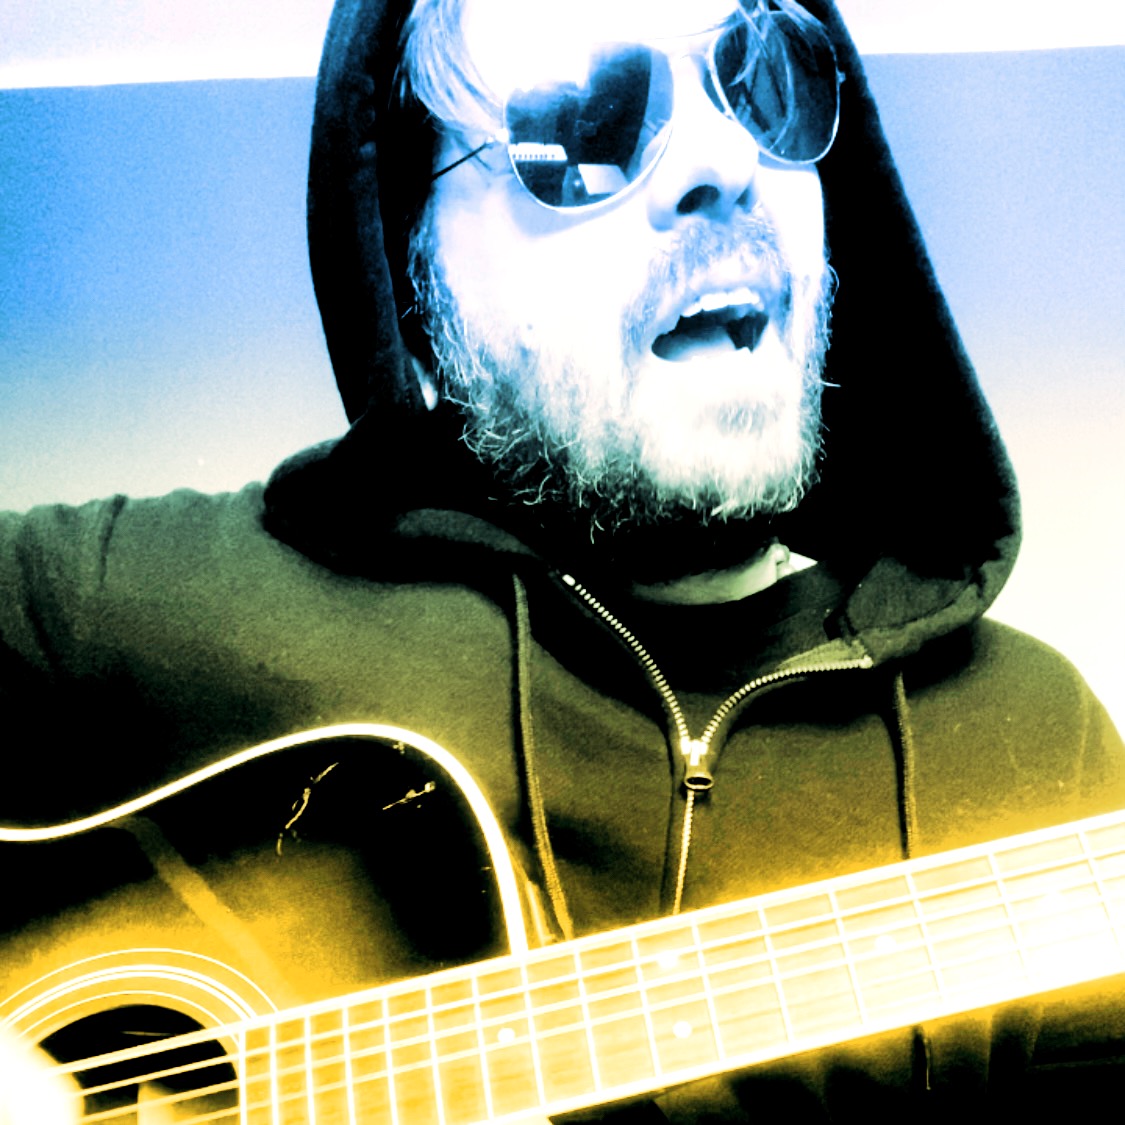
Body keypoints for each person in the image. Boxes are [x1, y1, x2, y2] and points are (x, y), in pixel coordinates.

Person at [1, 0, 1123, 1121]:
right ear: (414, 284)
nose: (726, 165)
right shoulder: (156, 609)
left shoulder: (1036, 755)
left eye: (765, 84)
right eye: (587, 125)